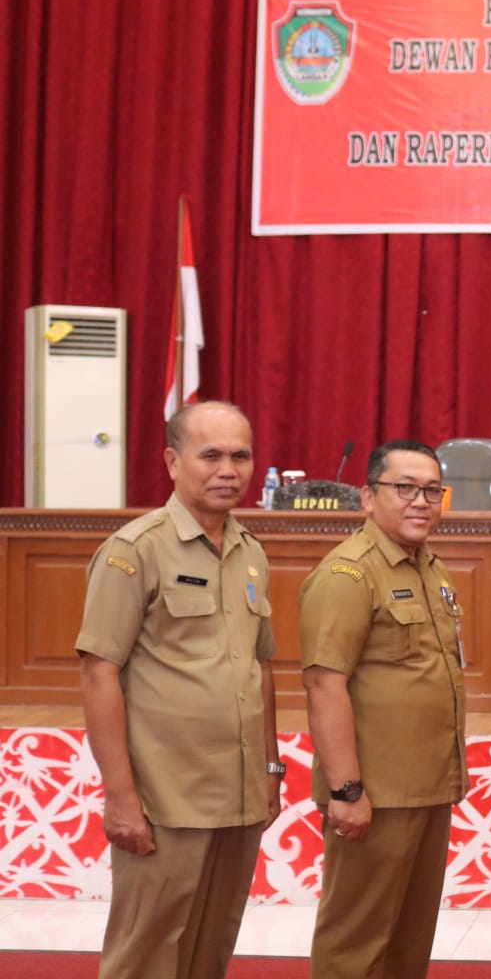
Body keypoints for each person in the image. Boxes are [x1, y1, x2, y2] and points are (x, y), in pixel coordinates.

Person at [76, 401, 280, 979]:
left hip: (238, 792)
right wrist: (121, 797)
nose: (228, 470)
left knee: (211, 945)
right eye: (210, 455)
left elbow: (261, 665)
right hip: (166, 798)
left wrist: (270, 770)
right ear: (172, 461)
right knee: (147, 953)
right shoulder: (134, 550)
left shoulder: (250, 551)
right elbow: (98, 672)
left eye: (241, 456)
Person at [300, 440, 469, 978]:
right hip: (375, 794)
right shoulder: (348, 574)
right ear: (369, 498)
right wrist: (347, 791)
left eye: (432, 491)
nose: (421, 501)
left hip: (427, 787)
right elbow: (324, 685)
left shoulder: (429, 568)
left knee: (407, 940)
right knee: (356, 941)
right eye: (404, 488)